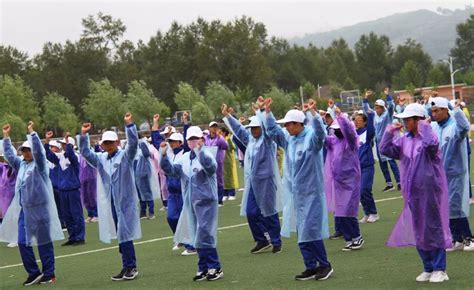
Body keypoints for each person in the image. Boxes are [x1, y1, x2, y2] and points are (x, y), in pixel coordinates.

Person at [263, 98, 333, 281]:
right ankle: (310, 266)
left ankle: (324, 265)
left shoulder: (310, 137)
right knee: (302, 230)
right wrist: (267, 113)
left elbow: (321, 136)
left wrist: (315, 115)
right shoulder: (289, 139)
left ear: (298, 124)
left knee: (311, 229)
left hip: (312, 192)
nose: (285, 128)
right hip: (296, 194)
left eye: (288, 124)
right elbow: (273, 132)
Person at [380, 103, 451, 283]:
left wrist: (424, 127)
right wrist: (389, 132)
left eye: (407, 119)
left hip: (430, 190)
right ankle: (427, 267)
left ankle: (440, 268)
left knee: (433, 227)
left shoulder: (429, 137)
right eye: (402, 120)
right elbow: (385, 149)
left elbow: (431, 146)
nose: (403, 122)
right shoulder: (405, 139)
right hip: (412, 192)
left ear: (418, 120)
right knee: (418, 228)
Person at [0, 121, 64, 285]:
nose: (26, 153)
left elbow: (40, 153)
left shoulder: (40, 166)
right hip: (25, 211)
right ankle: (34, 272)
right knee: (22, 242)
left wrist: (32, 133)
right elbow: (9, 154)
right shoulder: (21, 164)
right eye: (24, 150)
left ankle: (49, 273)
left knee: (44, 243)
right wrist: (6, 136)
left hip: (40, 210)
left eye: (28, 150)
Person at [79, 113, 141, 281]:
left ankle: (131, 267)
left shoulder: (125, 156)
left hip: (126, 201)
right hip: (112, 202)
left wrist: (130, 126)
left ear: (117, 142)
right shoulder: (101, 159)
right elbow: (85, 152)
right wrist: (84, 135)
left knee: (125, 233)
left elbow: (134, 144)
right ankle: (126, 265)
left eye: (111, 142)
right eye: (105, 143)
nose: (108, 145)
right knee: (121, 235)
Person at [160, 126, 224, 282]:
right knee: (196, 235)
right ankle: (203, 267)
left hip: (206, 201)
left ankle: (215, 266)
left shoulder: (207, 154)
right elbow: (171, 170)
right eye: (190, 139)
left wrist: (200, 152)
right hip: (191, 202)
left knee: (205, 233)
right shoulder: (184, 158)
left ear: (202, 139)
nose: (193, 141)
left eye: (195, 138)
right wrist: (163, 155)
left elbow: (210, 168)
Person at [222, 101, 282, 254]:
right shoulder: (251, 140)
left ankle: (276, 241)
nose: (253, 130)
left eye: (256, 128)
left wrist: (263, 112)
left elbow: (270, 128)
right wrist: (228, 116)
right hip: (253, 182)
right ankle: (262, 240)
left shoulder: (267, 141)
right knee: (251, 212)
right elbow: (238, 130)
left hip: (266, 181)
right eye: (252, 128)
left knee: (269, 211)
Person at [430, 97, 474, 251]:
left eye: (437, 110)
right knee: (445, 206)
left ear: (445, 110)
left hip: (456, 174)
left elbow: (464, 127)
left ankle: (469, 237)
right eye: (432, 111)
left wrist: (456, 110)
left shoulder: (455, 126)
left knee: (456, 205)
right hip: (439, 174)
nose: (434, 114)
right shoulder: (434, 127)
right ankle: (456, 238)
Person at [324, 108, 363, 251]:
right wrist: (314, 117)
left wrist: (340, 116)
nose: (337, 131)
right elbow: (321, 136)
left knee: (349, 210)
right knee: (340, 211)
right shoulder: (334, 142)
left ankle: (357, 237)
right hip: (338, 181)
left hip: (351, 180)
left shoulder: (351, 142)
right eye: (335, 129)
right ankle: (348, 239)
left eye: (339, 129)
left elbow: (350, 132)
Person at [45, 131, 85, 246]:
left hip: (73, 190)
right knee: (67, 215)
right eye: (63, 144)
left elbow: (71, 155)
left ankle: (80, 237)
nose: (62, 146)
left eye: (65, 144)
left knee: (76, 214)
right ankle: (72, 236)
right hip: (63, 190)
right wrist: (47, 141)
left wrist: (68, 144)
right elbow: (48, 155)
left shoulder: (75, 157)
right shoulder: (60, 157)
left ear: (70, 146)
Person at [162, 132, 197, 256]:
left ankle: (191, 246)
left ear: (180, 142)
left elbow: (189, 140)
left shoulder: (185, 154)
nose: (171, 143)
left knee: (187, 219)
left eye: (174, 141)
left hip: (183, 191)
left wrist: (186, 123)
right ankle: (181, 238)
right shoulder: (170, 155)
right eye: (170, 141)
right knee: (171, 217)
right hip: (172, 193)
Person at [363, 88, 401, 192]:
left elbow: (391, 106)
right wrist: (365, 98)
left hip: (388, 142)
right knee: (382, 163)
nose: (376, 109)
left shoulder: (387, 115)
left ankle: (399, 182)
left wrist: (388, 96)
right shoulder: (374, 115)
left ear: (382, 107)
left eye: (378, 107)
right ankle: (389, 183)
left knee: (391, 162)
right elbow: (366, 109)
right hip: (378, 142)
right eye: (375, 107)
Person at [354, 110, 379, 223]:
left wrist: (370, 115)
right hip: (356, 168)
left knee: (365, 189)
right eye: (355, 120)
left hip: (367, 166)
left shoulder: (367, 133)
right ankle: (367, 213)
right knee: (359, 192)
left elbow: (371, 130)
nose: (357, 122)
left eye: (359, 120)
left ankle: (374, 213)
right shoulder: (354, 134)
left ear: (365, 123)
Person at [134, 136, 160, 220]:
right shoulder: (132, 146)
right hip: (136, 173)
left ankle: (151, 211)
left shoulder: (142, 144)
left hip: (143, 172)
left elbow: (146, 154)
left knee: (146, 192)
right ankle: (143, 212)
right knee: (140, 193)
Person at [205, 121, 229, 206]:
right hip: (208, 162)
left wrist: (221, 138)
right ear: (209, 128)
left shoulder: (219, 138)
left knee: (219, 179)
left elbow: (226, 146)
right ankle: (211, 198)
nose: (214, 128)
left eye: (216, 127)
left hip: (218, 161)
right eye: (212, 127)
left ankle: (219, 200)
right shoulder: (206, 138)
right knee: (209, 179)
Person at [221, 126, 239, 201]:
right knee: (223, 178)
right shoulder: (218, 140)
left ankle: (232, 193)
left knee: (230, 177)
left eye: (220, 132)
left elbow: (233, 147)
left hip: (228, 161)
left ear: (224, 132)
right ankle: (225, 193)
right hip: (221, 162)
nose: (219, 134)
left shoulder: (228, 139)